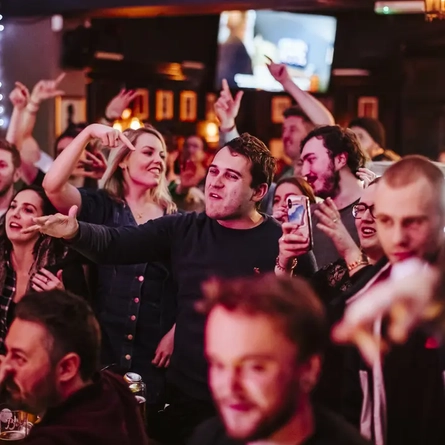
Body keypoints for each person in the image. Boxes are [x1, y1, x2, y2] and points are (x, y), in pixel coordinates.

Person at [27, 132, 316, 444]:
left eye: (231, 176)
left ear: (259, 191)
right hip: (185, 401)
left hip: (253, 404)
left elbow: (307, 324)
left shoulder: (282, 241)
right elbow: (116, 244)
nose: (215, 182)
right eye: (214, 171)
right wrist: (75, 230)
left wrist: (286, 265)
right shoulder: (184, 228)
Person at [42, 123, 177, 415]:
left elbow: (190, 282)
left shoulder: (174, 218)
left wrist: (176, 331)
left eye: (163, 155)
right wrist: (89, 132)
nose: (159, 160)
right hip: (106, 345)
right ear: (124, 160)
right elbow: (52, 185)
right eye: (148, 151)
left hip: (154, 353)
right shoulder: (103, 205)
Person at [329, 155, 445, 445]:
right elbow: (352, 406)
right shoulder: (363, 295)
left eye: (412, 222)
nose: (397, 237)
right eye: (386, 220)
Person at [189, 273, 370, 445]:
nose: (229, 387)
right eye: (218, 365)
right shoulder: (207, 438)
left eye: (255, 367)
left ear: (308, 369)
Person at [0, 289, 148, 445]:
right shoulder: (114, 387)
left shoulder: (57, 439)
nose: (5, 367)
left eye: (19, 358)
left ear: (67, 368)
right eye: (7, 352)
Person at [0, 185, 88, 353]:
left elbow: (83, 333)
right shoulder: (2, 258)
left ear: (46, 224)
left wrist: (62, 301)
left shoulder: (62, 267)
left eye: (28, 210)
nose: (15, 213)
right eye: (13, 206)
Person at [215, 60, 335, 181]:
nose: (285, 135)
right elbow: (240, 164)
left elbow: (327, 125)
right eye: (284, 130)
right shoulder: (280, 180)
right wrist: (227, 123)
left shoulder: (320, 177)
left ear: (312, 135)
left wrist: (286, 81)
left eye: (293, 129)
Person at [300, 125, 368, 269]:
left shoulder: (375, 213)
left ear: (340, 159)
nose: (304, 171)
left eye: (311, 160)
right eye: (302, 163)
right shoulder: (309, 216)